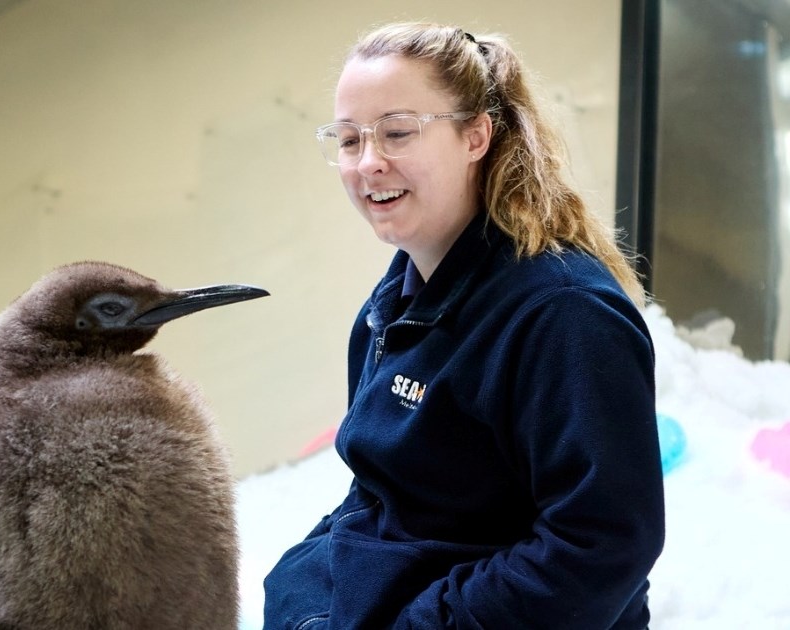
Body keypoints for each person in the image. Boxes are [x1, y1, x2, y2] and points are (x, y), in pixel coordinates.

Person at [263, 22, 665, 629]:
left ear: (475, 135)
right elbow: (380, 494)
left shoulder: (563, 314)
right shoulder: (396, 299)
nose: (369, 162)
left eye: (397, 132)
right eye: (348, 141)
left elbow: (600, 548)